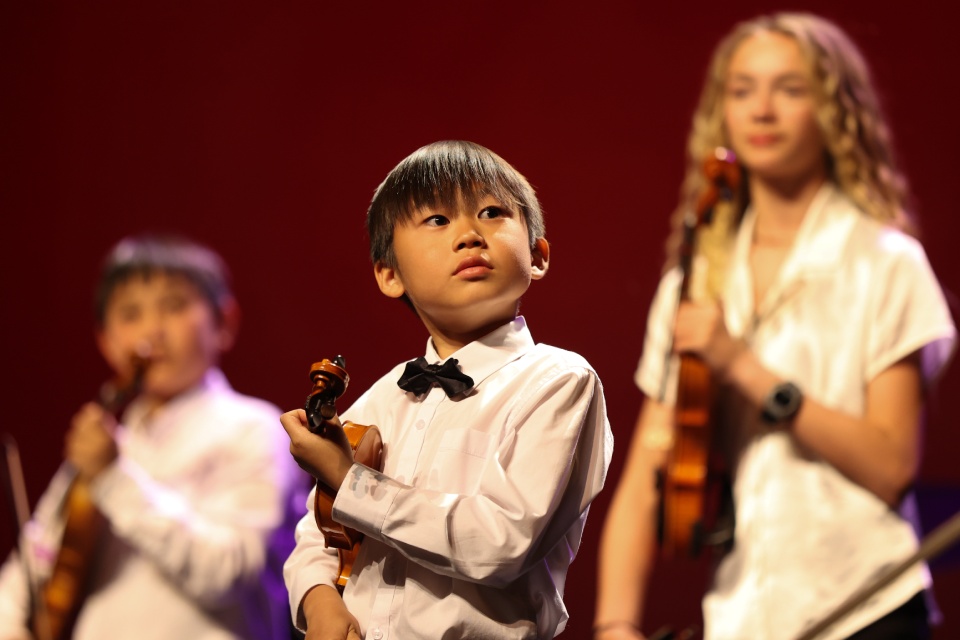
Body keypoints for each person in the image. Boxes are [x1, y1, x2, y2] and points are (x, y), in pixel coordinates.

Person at [594, 12, 956, 640]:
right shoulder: (696, 277)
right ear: (723, 111)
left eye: (790, 89)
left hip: (869, 607)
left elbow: (891, 464)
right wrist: (614, 624)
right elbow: (648, 474)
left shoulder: (884, 262)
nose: (762, 109)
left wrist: (744, 367)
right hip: (744, 616)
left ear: (834, 111)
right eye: (742, 90)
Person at [280, 140, 614, 640]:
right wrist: (319, 598)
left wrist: (352, 483)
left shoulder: (560, 381)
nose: (469, 234)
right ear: (390, 275)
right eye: (438, 220)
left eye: (491, 212)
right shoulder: (383, 395)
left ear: (538, 255)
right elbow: (317, 534)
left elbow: (500, 542)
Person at [0, 235, 303, 640]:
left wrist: (113, 477)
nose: (152, 331)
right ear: (105, 341)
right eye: (130, 314)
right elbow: (35, 563)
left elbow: (228, 572)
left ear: (224, 323)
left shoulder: (255, 428)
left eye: (174, 306)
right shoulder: (109, 443)